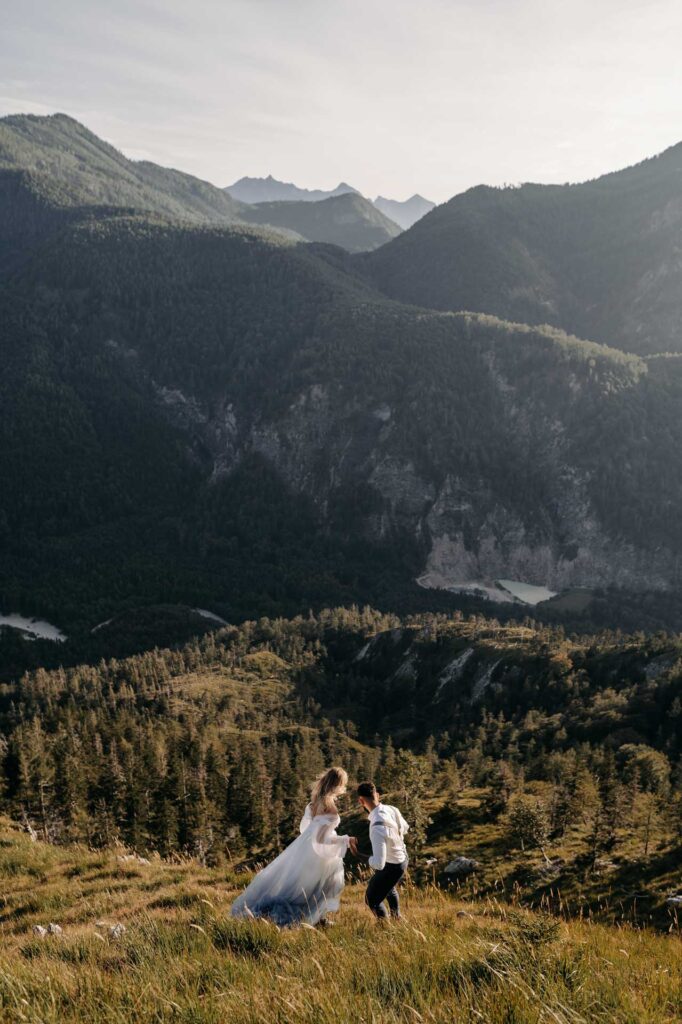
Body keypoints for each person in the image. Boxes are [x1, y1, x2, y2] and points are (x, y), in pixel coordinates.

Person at [231, 766, 357, 927]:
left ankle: (317, 918)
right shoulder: (330, 807)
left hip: (305, 850)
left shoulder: (315, 801)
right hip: (319, 856)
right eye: (343, 784)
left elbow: (305, 829)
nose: (344, 788)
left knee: (304, 886)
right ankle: (314, 919)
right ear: (338, 784)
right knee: (321, 887)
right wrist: (345, 839)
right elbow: (320, 839)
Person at [357, 780, 409, 921]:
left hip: (392, 865)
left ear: (361, 801)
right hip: (403, 858)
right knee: (388, 887)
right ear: (377, 795)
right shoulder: (392, 809)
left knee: (371, 899)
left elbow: (379, 864)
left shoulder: (377, 827)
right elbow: (405, 827)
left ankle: (384, 926)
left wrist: (360, 855)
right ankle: (397, 917)